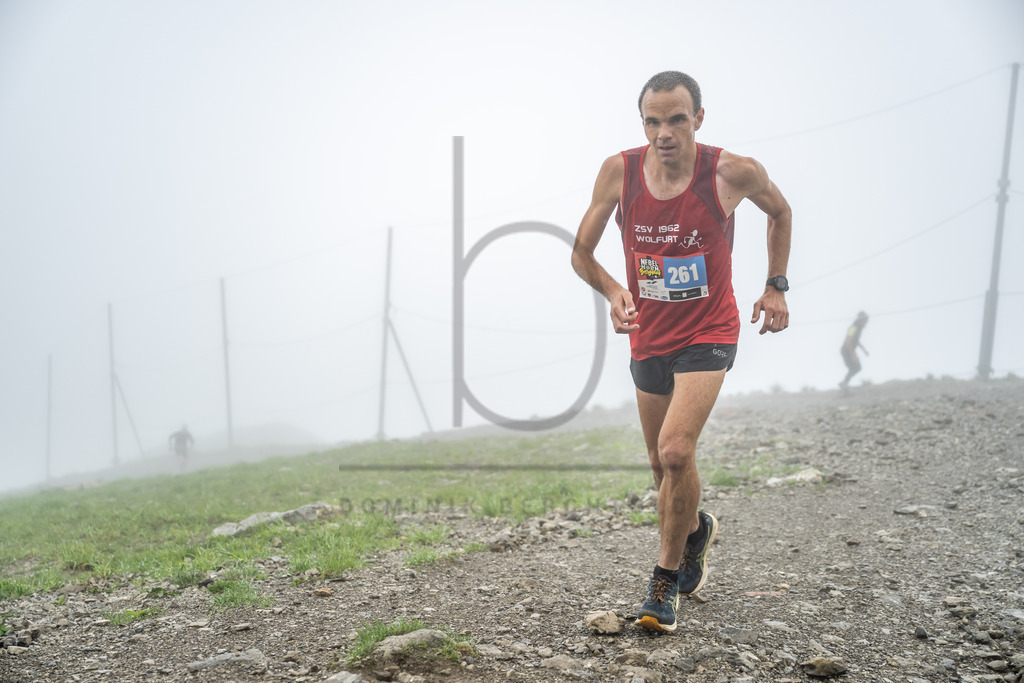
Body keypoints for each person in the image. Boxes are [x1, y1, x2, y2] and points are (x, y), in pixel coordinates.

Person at [571, 71, 792, 633]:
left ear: (698, 117)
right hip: (649, 333)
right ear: (642, 122)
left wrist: (776, 285)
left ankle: (662, 585)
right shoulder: (619, 172)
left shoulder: (731, 172)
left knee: (675, 451)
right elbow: (581, 252)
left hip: (709, 331)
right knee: (659, 468)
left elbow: (781, 211)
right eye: (652, 120)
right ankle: (694, 532)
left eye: (675, 118)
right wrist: (613, 289)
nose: (663, 132)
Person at [839, 311, 869, 392]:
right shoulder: (853, 328)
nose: (865, 324)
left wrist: (864, 349)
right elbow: (848, 341)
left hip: (849, 350)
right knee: (855, 367)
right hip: (846, 350)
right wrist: (853, 355)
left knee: (856, 368)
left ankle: (844, 384)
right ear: (861, 320)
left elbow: (856, 340)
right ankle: (844, 384)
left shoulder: (859, 329)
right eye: (865, 322)